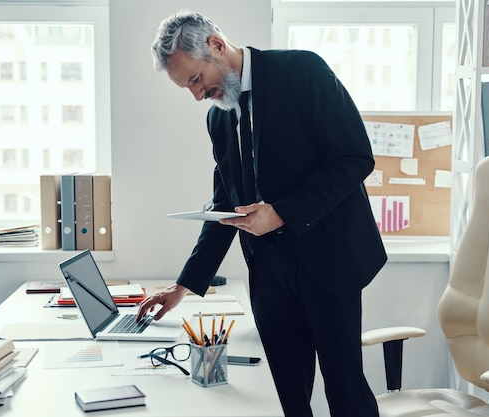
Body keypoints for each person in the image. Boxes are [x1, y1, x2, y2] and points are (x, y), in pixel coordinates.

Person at [137, 10, 387, 417]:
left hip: (329, 263)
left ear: (216, 46)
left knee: (346, 392)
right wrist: (183, 286)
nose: (197, 96)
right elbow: (224, 207)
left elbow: (354, 157)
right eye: (187, 88)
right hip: (270, 275)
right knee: (286, 398)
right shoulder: (220, 118)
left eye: (197, 80)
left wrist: (282, 213)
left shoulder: (301, 70)